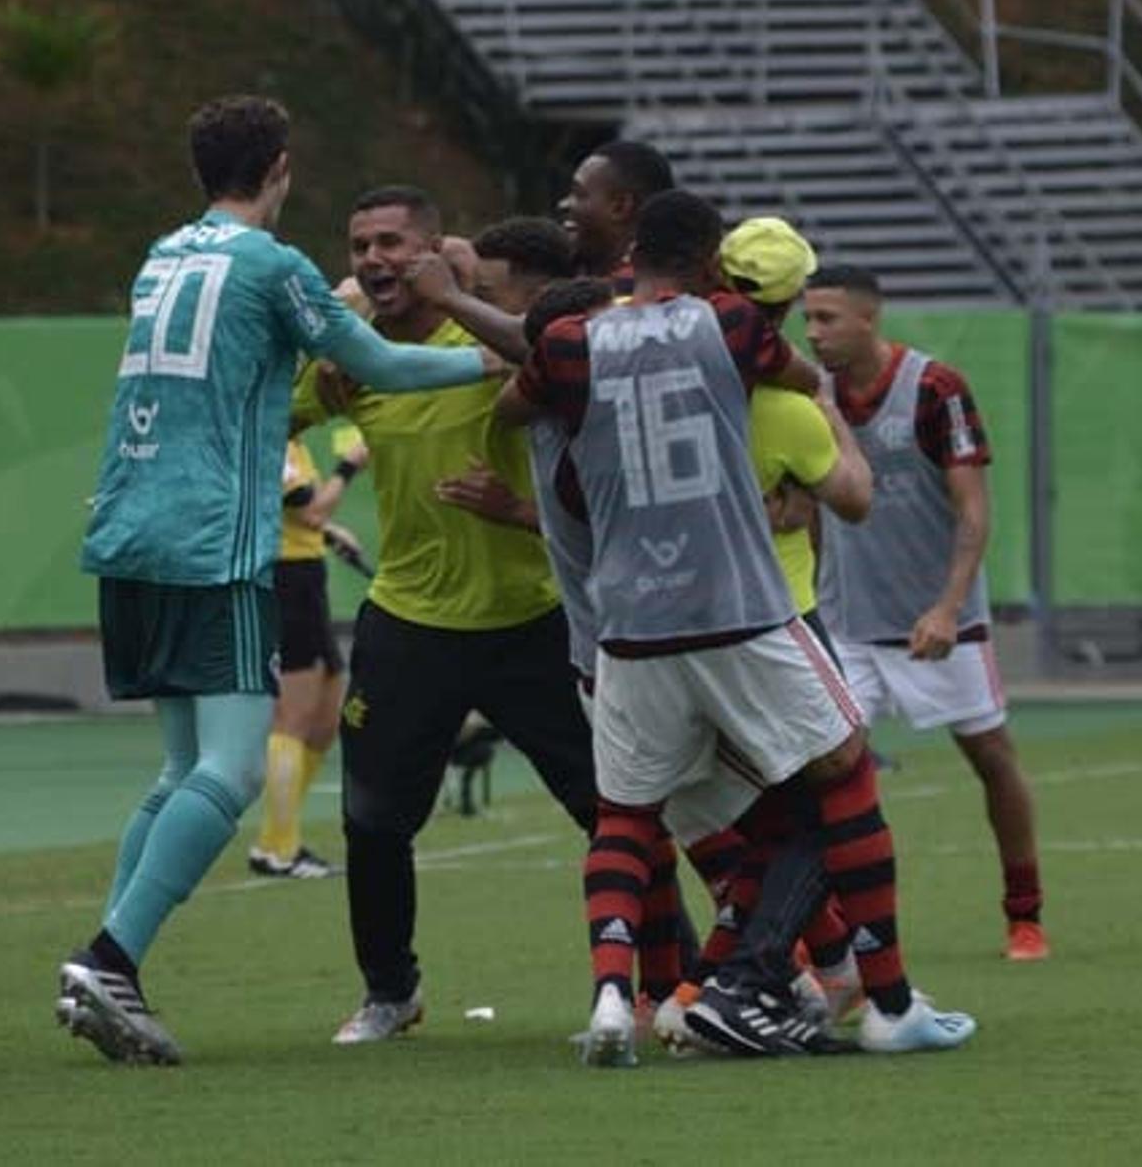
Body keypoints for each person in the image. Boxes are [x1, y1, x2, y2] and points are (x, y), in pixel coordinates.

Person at [56, 96, 496, 1066]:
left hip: (127, 520)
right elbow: (375, 357)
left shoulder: (162, 252)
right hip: (213, 536)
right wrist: (496, 358)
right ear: (282, 169)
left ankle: (104, 962)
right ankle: (112, 957)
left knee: (179, 768)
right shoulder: (272, 262)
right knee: (236, 767)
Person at [502, 191, 975, 1065]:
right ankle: (878, 996)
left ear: (630, 250)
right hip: (743, 613)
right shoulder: (732, 336)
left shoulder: (573, 350)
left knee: (636, 820)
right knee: (837, 782)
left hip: (621, 633)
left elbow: (515, 408)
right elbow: (850, 485)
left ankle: (634, 994)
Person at [291, 186, 599, 1047]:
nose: (373, 259)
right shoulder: (355, 361)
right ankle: (391, 992)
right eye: (360, 246)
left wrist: (456, 283)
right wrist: (320, 363)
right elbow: (275, 412)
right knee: (373, 819)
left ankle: (661, 984)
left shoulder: (490, 337)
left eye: (392, 243)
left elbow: (546, 353)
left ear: (431, 251)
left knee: (609, 809)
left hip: (530, 618)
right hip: (409, 623)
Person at [804, 264, 1049, 962]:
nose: (813, 333)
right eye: (807, 319)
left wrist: (947, 608)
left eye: (827, 318)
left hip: (938, 626)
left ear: (868, 319)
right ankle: (825, 936)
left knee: (992, 757)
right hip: (847, 623)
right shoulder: (809, 394)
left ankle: (1024, 914)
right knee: (819, 775)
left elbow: (973, 511)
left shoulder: (935, 389)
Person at [247, 427, 367, 880]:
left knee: (327, 713)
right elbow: (312, 509)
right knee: (293, 718)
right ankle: (278, 849)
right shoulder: (273, 438)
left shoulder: (290, 440)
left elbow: (301, 513)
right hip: (287, 580)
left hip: (305, 576)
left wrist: (329, 531)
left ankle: (278, 840)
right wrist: (351, 462)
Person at [558, 140, 675, 289]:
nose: (563, 204)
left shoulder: (642, 298)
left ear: (620, 207)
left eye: (579, 194)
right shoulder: (562, 274)